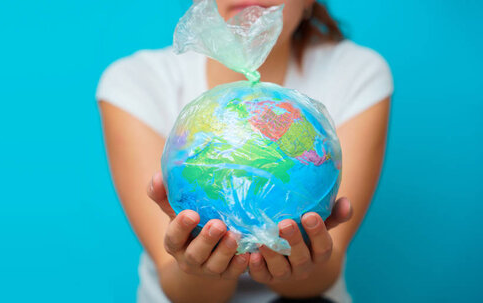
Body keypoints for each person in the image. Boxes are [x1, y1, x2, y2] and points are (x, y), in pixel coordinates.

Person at [96, 0, 393, 302]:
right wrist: (196, 269)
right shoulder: (136, 82)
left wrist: (301, 265)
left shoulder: (357, 73)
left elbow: (318, 277)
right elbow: (180, 286)